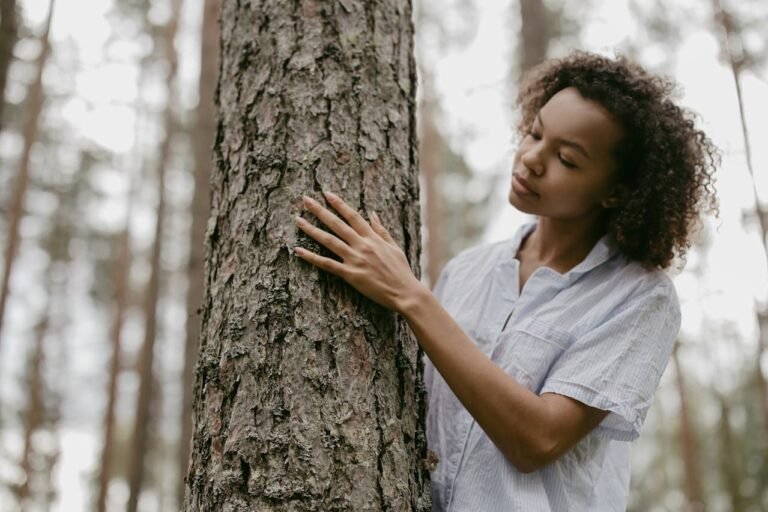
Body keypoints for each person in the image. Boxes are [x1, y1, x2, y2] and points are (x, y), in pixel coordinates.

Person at [293, 51, 718, 511]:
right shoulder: (468, 271)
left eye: (568, 160)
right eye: (535, 133)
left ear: (616, 191)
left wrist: (410, 296)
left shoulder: (639, 297)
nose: (531, 159)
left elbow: (538, 439)